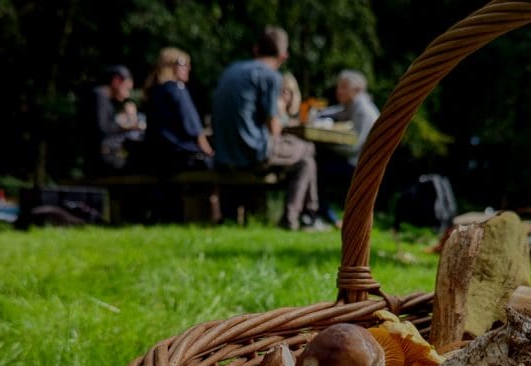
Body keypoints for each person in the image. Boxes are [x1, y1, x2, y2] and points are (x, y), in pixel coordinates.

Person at [211, 26, 320, 231]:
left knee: (306, 161)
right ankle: (301, 217)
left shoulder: (231, 71)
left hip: (223, 154)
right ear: (283, 56)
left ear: (256, 49)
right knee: (307, 151)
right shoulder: (270, 76)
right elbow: (274, 128)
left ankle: (305, 216)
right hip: (252, 152)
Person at [314, 69, 380, 227]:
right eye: (338, 87)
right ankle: (325, 215)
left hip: (361, 166)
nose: (339, 91)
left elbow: (354, 148)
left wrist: (326, 145)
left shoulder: (363, 110)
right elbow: (337, 112)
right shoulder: (353, 105)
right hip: (356, 161)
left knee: (315, 170)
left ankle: (325, 216)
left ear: (357, 90)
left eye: (343, 87)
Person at [143, 47, 214, 173]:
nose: (189, 68)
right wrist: (210, 153)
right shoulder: (177, 89)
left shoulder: (153, 91)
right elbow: (196, 132)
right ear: (172, 66)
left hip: (155, 160)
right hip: (180, 159)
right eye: (184, 64)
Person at [79, 64, 143, 176]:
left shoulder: (102, 98)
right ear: (117, 81)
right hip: (101, 160)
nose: (128, 93)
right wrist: (130, 125)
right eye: (127, 88)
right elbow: (103, 127)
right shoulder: (99, 96)